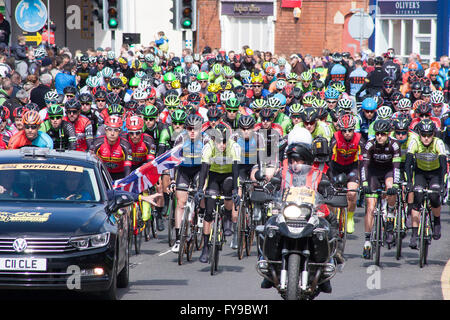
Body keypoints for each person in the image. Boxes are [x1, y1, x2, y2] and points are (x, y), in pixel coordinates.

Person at [195, 123, 241, 263]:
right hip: (214, 175)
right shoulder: (208, 147)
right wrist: (199, 190)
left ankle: (227, 216)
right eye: (219, 141)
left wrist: (235, 191)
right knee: (209, 209)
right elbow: (204, 170)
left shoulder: (234, 147)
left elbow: (235, 171)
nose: (222, 145)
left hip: (228, 175)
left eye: (225, 141)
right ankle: (206, 248)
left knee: (228, 187)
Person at [360, 119, 401, 259]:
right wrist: (364, 184)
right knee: (370, 207)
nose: (379, 137)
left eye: (383, 134)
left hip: (388, 172)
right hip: (373, 173)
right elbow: (364, 166)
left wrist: (395, 185)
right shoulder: (370, 144)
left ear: (388, 134)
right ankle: (367, 242)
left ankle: (390, 213)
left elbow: (396, 168)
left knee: (391, 187)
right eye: (377, 134)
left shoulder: (394, 144)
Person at [405, 119, 446, 248]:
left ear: (433, 134)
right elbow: (408, 164)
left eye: (429, 135)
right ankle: (414, 234)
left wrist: (443, 185)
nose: (426, 138)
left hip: (435, 173)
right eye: (424, 135)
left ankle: (437, 221)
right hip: (420, 173)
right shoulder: (414, 142)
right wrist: (409, 183)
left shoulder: (438, 143)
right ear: (420, 134)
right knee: (417, 197)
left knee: (434, 196)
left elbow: (444, 166)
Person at [329, 114, 364, 234]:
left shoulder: (359, 139)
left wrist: (362, 179)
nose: (347, 133)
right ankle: (332, 219)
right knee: (331, 194)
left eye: (350, 130)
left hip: (351, 168)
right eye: (344, 131)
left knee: (352, 193)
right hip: (336, 167)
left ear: (354, 129)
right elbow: (329, 157)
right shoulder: (335, 137)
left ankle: (349, 217)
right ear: (340, 130)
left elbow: (364, 161)